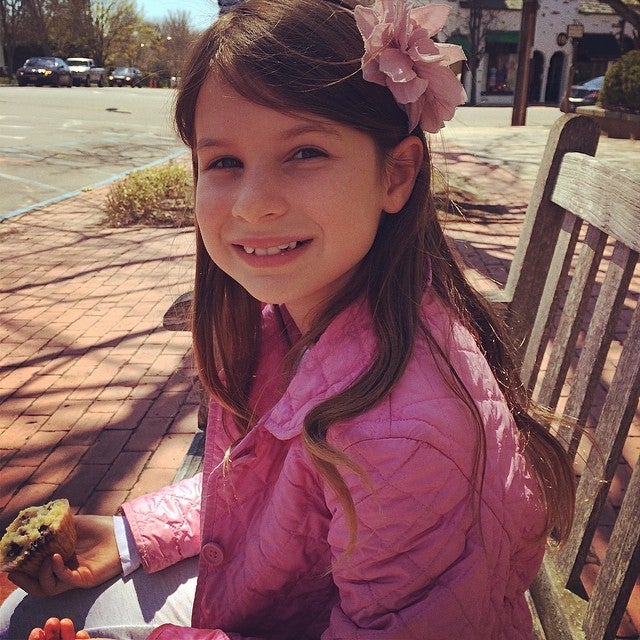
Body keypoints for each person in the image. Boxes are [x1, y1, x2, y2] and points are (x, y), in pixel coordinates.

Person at [0, 0, 576, 638]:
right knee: (19, 612)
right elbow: (272, 493)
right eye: (224, 162)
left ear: (397, 174)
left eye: (304, 152)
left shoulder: (400, 436)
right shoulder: (300, 313)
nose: (253, 205)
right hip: (282, 596)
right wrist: (132, 534)